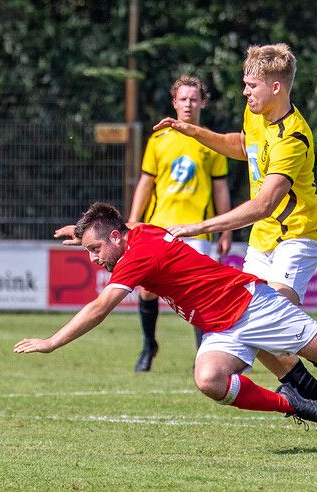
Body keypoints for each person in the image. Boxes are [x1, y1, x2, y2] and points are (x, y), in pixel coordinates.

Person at [15, 203, 317, 440]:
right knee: (208, 379)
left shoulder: (138, 254)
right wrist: (81, 234)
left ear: (116, 239)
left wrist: (53, 341)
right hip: (222, 327)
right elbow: (121, 224)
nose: (94, 260)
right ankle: (304, 406)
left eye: (96, 251)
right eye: (87, 253)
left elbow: (99, 308)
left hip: (253, 307)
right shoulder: (136, 233)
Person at [153, 43, 317, 449]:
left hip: (296, 237)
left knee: (272, 321)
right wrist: (192, 131)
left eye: (251, 86)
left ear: (276, 87)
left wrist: (198, 227)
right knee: (255, 324)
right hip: (263, 242)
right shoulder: (257, 114)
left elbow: (263, 205)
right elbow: (241, 148)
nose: (245, 93)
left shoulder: (295, 137)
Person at [127, 75, 232, 372]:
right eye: (182, 99)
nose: (188, 104)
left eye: (193, 98)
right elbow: (146, 183)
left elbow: (220, 188)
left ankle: (204, 354)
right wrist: (134, 220)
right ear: (174, 102)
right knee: (147, 289)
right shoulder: (158, 138)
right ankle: (149, 345)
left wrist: (225, 228)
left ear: (202, 102)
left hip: (198, 229)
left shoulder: (212, 142)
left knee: (199, 294)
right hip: (160, 227)